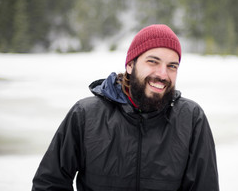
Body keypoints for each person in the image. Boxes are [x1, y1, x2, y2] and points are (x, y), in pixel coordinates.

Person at [32, 24, 219, 191]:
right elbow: (49, 184)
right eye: (153, 61)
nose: (163, 74)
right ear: (130, 65)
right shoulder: (85, 115)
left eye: (172, 66)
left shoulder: (191, 119)